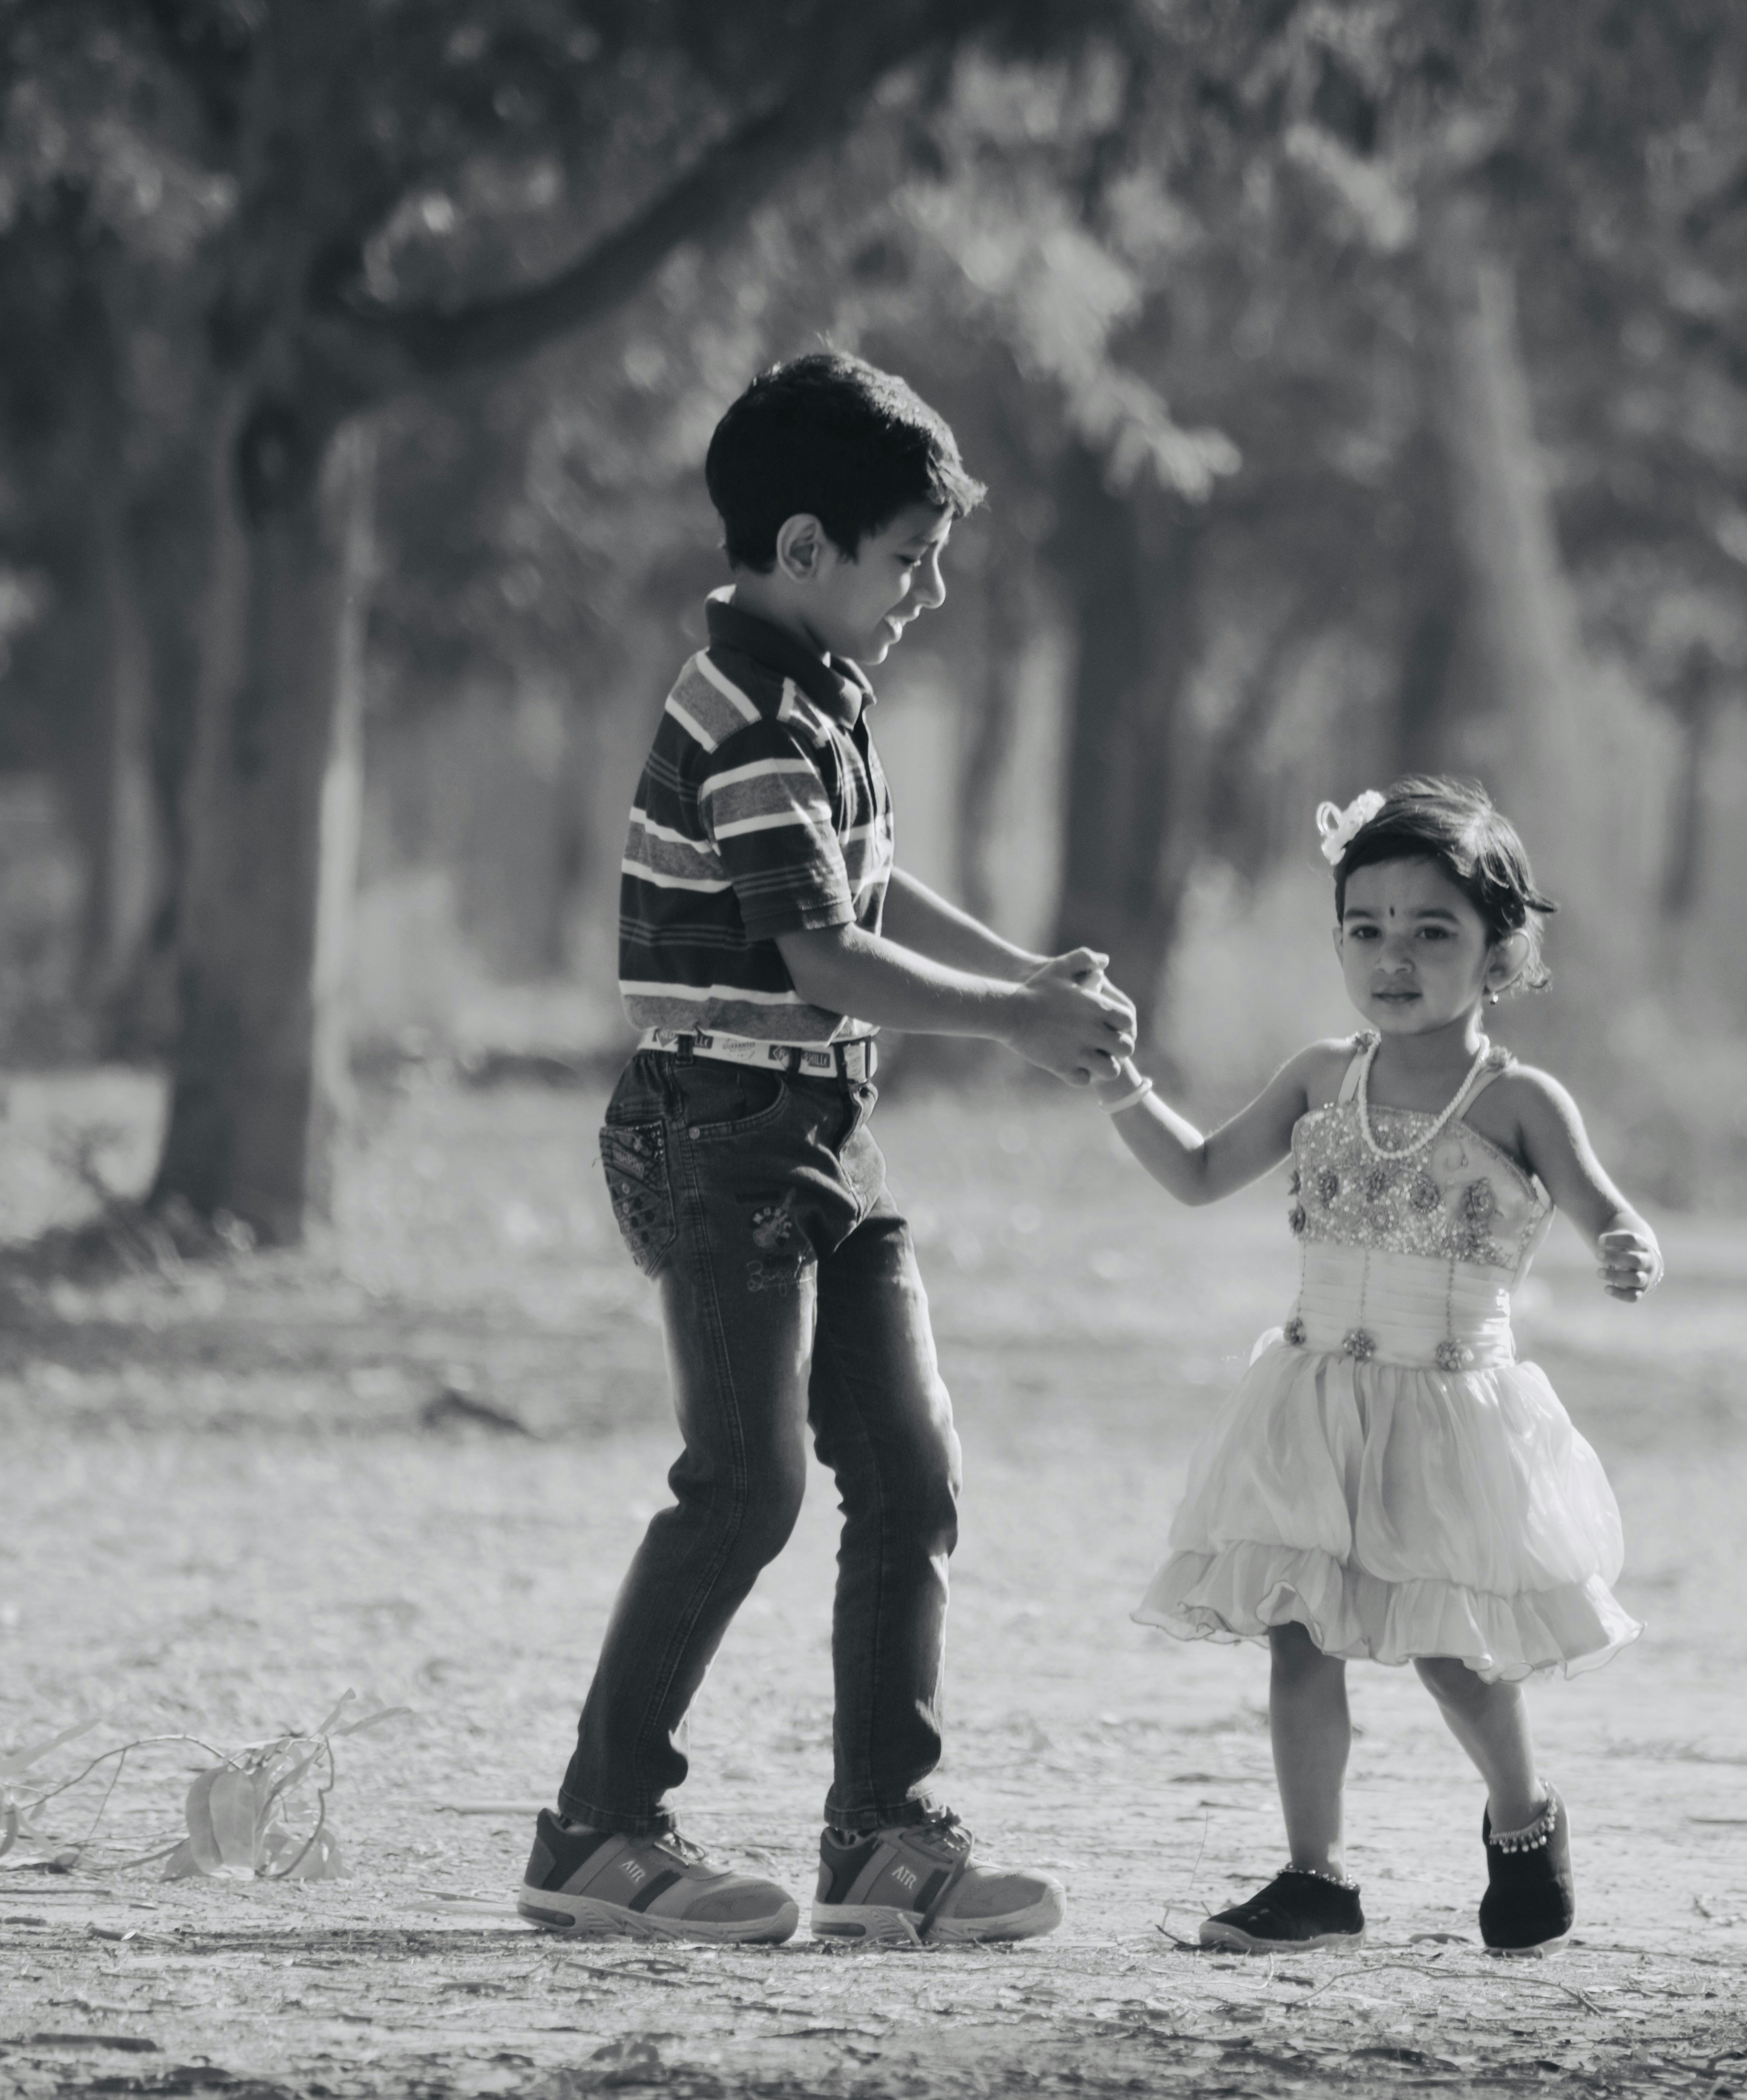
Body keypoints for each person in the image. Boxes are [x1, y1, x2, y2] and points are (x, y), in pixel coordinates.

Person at [517, 351, 1136, 1948]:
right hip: (721, 1133)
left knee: (911, 1475)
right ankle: (598, 1827)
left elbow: (874, 897)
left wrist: (1025, 979)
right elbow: (819, 957)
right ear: (804, 550)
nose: (926, 588)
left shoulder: (821, 698)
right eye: (906, 557)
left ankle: (885, 1837)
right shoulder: (738, 712)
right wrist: (1010, 1027)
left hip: (824, 1136)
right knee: (746, 1486)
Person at [1099, 777, 1662, 1955]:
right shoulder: (1320, 1076)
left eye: (1432, 932)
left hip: (1450, 1408)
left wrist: (1624, 1242)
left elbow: (1606, 1206)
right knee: (1298, 1632)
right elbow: (1201, 1172)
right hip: (1312, 1400)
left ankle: (1521, 1814)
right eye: (1367, 928)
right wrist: (1118, 1085)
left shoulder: (1518, 1098)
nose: (1393, 957)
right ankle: (1316, 1875)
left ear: (1500, 953)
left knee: (1455, 1650)